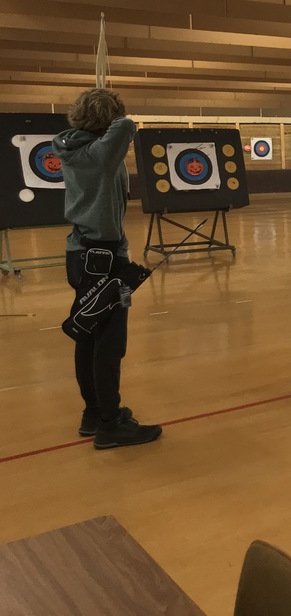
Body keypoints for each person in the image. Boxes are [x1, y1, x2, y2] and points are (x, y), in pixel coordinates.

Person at [53, 88, 163, 449]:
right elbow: (126, 126)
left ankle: (95, 411)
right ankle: (111, 425)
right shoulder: (98, 153)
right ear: (108, 120)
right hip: (101, 259)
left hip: (81, 254)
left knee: (88, 335)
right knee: (109, 343)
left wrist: (101, 111)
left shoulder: (73, 146)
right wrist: (114, 112)